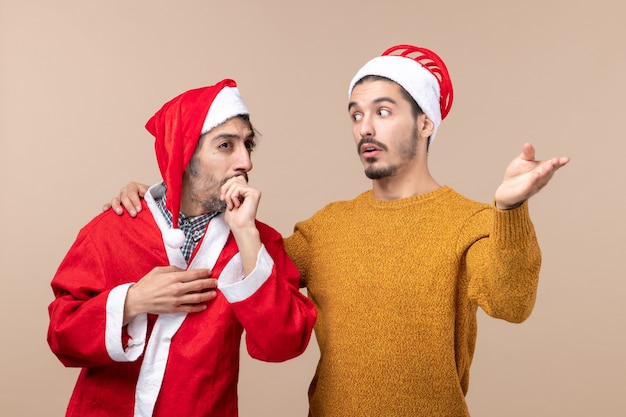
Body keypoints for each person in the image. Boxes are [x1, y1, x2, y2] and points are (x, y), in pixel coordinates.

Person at [106, 45, 569, 416]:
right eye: (355, 114)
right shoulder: (327, 228)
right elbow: (238, 275)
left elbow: (511, 303)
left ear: (426, 122)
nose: (365, 127)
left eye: (383, 112)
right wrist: (164, 196)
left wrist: (511, 208)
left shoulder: (468, 222)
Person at [47, 78, 317, 417]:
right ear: (184, 154)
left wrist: (247, 235)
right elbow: (61, 334)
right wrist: (132, 302)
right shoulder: (114, 228)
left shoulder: (260, 241)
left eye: (248, 145)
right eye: (225, 146)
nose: (245, 162)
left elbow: (283, 344)